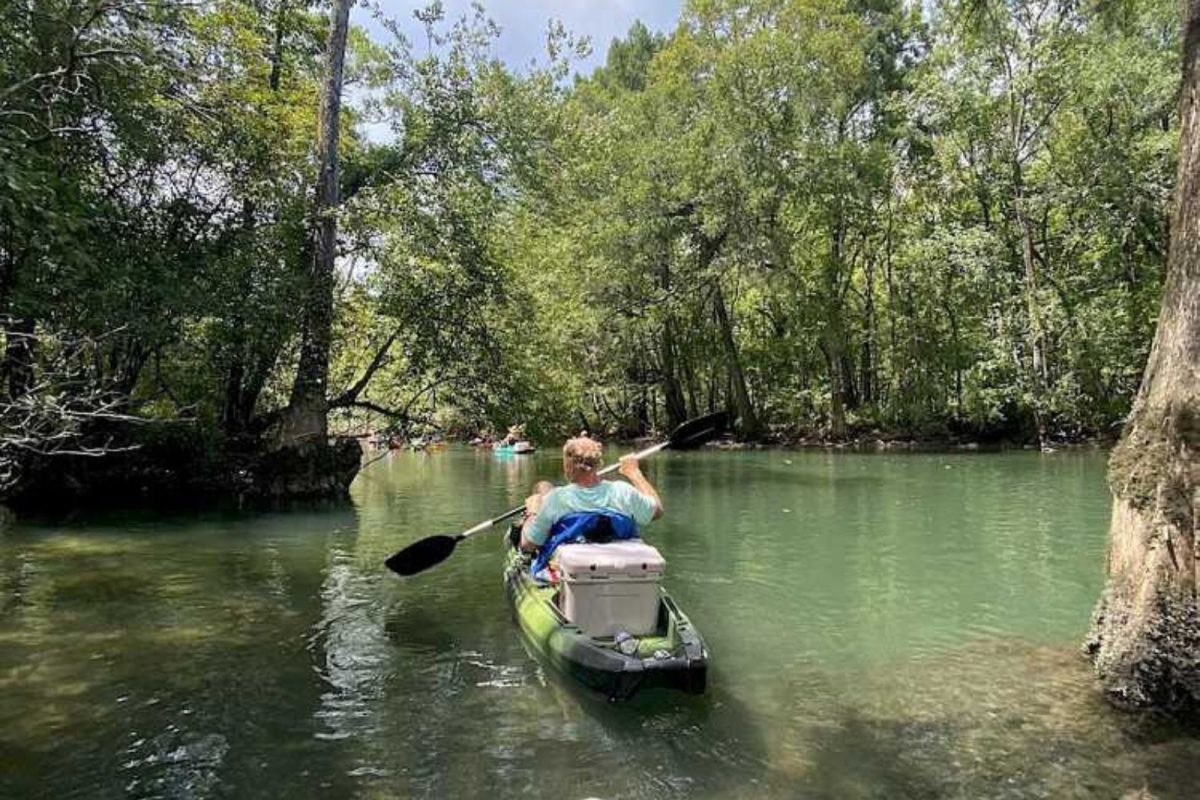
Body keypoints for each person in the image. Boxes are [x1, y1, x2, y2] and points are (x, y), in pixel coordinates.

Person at [519, 436, 663, 554]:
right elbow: (657, 511)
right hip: (619, 567)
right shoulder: (622, 491)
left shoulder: (557, 499)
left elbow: (528, 545)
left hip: (576, 576)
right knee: (544, 487)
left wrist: (532, 512)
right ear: (598, 463)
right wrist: (634, 473)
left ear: (568, 465)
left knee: (543, 489)